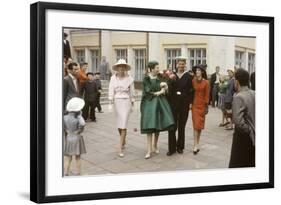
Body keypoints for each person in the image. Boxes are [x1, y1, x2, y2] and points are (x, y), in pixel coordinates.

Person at [140, 61, 175, 159]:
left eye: (158, 67)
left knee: (157, 125)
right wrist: (159, 92)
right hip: (149, 104)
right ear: (151, 69)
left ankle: (155, 145)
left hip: (159, 104)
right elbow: (147, 92)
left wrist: (165, 88)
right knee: (149, 126)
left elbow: (165, 91)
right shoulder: (146, 79)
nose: (158, 69)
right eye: (156, 67)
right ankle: (149, 150)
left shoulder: (160, 77)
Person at [167, 56, 194, 156]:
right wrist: (169, 80)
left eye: (183, 64)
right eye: (179, 64)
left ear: (185, 65)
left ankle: (180, 147)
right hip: (173, 104)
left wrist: (190, 102)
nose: (181, 65)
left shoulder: (189, 76)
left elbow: (191, 91)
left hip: (184, 104)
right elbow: (169, 89)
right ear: (177, 65)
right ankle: (171, 148)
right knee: (172, 126)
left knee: (181, 126)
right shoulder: (172, 76)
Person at [108, 59, 135, 157]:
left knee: (123, 123)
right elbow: (111, 90)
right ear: (117, 68)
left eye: (123, 67)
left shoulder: (130, 78)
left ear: (125, 68)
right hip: (117, 102)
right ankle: (123, 140)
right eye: (120, 67)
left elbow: (132, 91)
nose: (121, 69)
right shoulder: (112, 78)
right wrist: (110, 102)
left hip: (126, 101)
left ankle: (119, 146)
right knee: (120, 124)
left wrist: (132, 103)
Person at [229, 68, 255, 168]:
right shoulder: (254, 93)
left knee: (238, 164)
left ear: (237, 81)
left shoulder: (238, 96)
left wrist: (248, 130)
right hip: (254, 136)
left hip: (243, 138)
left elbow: (238, 122)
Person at [64, 97, 86, 176]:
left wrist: (66, 130)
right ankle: (78, 172)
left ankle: (66, 172)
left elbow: (63, 127)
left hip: (69, 137)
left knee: (68, 157)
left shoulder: (65, 117)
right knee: (78, 157)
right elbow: (83, 124)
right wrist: (80, 116)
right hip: (76, 137)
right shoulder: (78, 118)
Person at [191, 65, 210, 154]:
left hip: (202, 106)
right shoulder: (193, 81)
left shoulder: (206, 82)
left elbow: (207, 95)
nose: (197, 72)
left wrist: (206, 107)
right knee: (195, 125)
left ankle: (198, 143)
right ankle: (195, 145)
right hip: (194, 105)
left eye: (199, 70)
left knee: (200, 126)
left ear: (202, 72)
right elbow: (190, 93)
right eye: (196, 70)